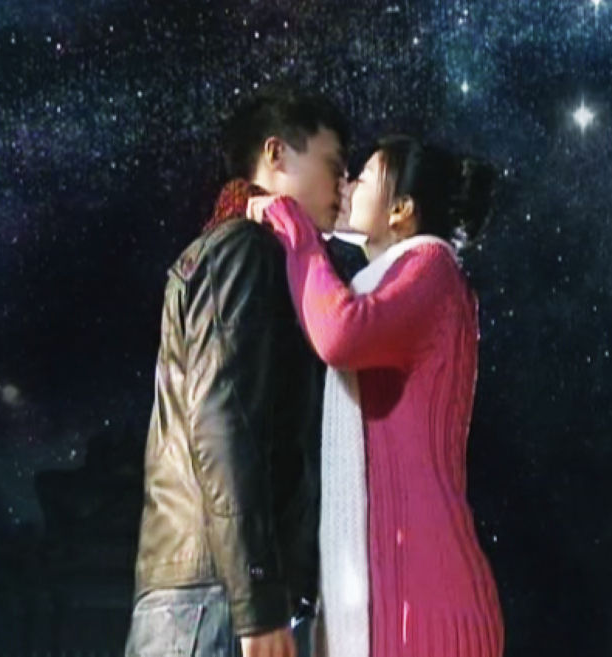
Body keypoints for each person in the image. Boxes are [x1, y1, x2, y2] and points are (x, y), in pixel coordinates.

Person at [125, 89, 366, 657]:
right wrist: (256, 599)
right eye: (335, 166)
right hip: (217, 595)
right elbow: (223, 424)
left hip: (214, 590)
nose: (345, 186)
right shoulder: (246, 249)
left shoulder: (254, 252)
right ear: (276, 154)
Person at [249, 136, 505, 657]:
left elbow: (340, 333)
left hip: (430, 603)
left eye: (362, 177)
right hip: (397, 601)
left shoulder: (431, 268)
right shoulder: (386, 283)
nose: (345, 186)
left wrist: (296, 228)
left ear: (401, 210)